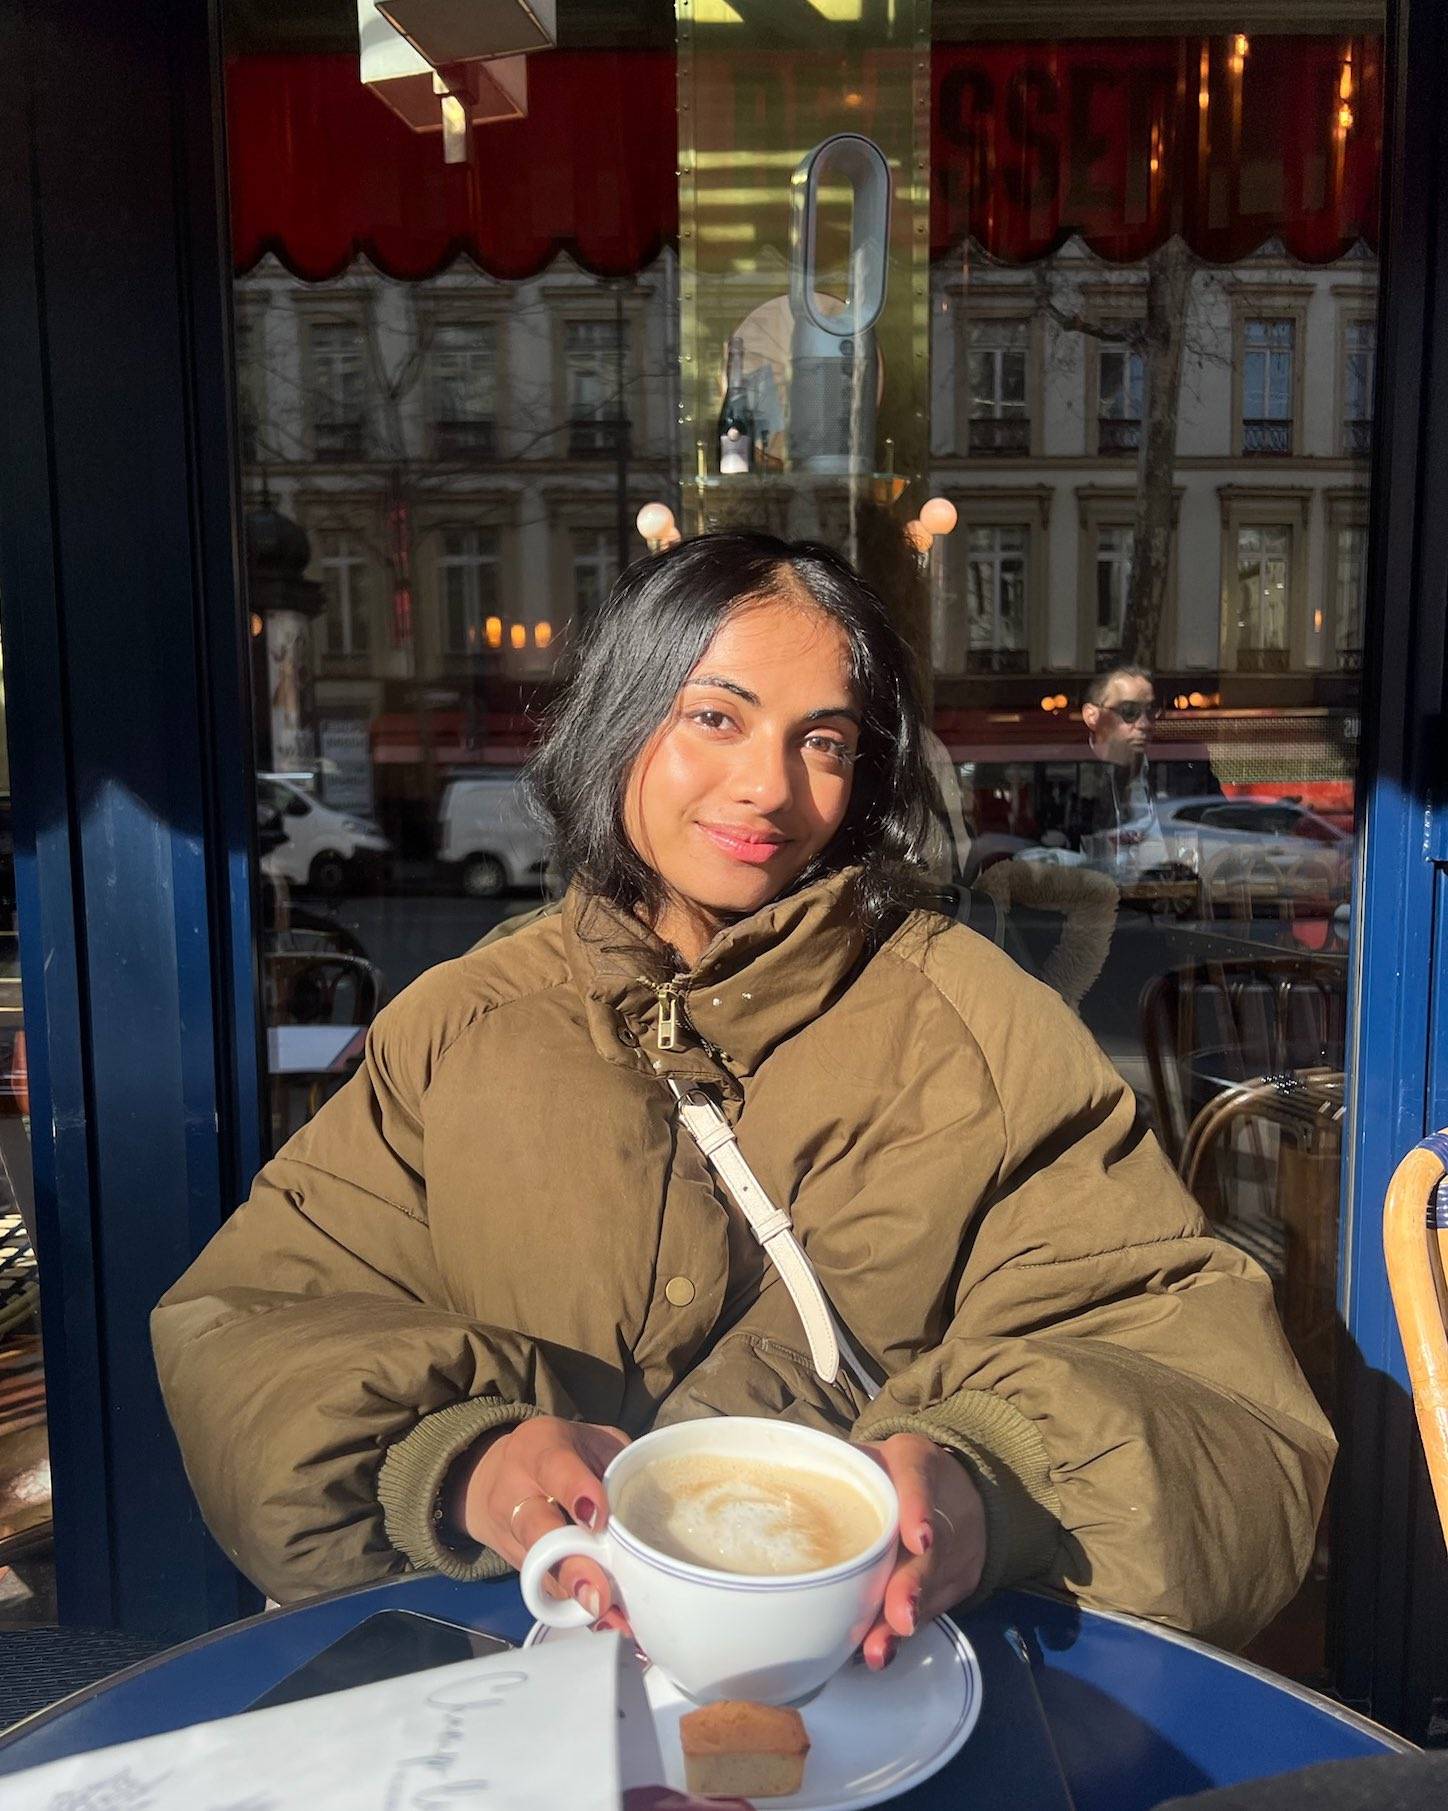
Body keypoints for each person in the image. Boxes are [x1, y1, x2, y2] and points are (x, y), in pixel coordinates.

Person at [152, 533, 1333, 1660]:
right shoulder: (458, 1029)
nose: (767, 786)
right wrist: (458, 1461)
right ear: (617, 720)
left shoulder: (982, 1030)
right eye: (713, 716)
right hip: (525, 1675)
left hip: (891, 1682)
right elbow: (248, 1330)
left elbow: (1216, 1404)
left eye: (823, 741)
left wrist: (987, 1479)